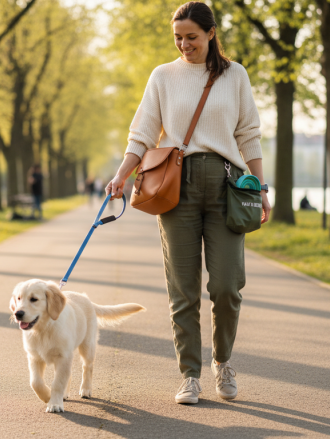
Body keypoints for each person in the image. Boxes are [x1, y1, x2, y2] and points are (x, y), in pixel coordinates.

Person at [105, 2, 270, 405]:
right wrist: (122, 174)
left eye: (192, 37)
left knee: (228, 287)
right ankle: (190, 374)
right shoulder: (163, 76)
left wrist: (262, 188)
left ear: (211, 34)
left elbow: (249, 135)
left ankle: (224, 361)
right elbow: (142, 133)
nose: (184, 45)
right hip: (175, 187)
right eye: (178, 37)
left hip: (227, 187)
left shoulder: (235, 76)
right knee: (183, 290)